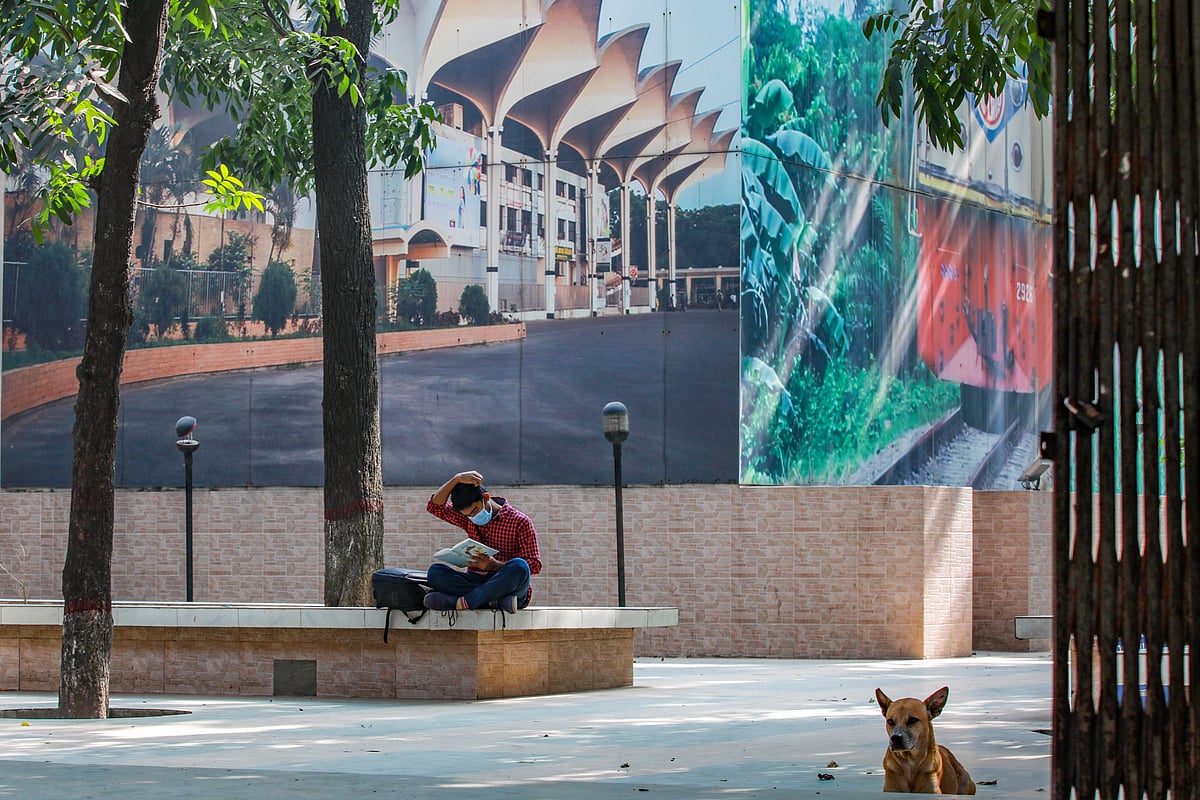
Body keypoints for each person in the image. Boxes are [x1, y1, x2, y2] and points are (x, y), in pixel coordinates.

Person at [423, 470, 541, 613]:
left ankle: (464, 602)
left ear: (485, 497)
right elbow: (435, 506)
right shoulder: (468, 519)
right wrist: (456, 479)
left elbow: (534, 565)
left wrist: (494, 565)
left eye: (475, 511)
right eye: (468, 515)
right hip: (476, 579)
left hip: (506, 583)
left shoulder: (520, 521)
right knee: (435, 572)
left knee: (520, 566)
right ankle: (493, 601)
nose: (473, 517)